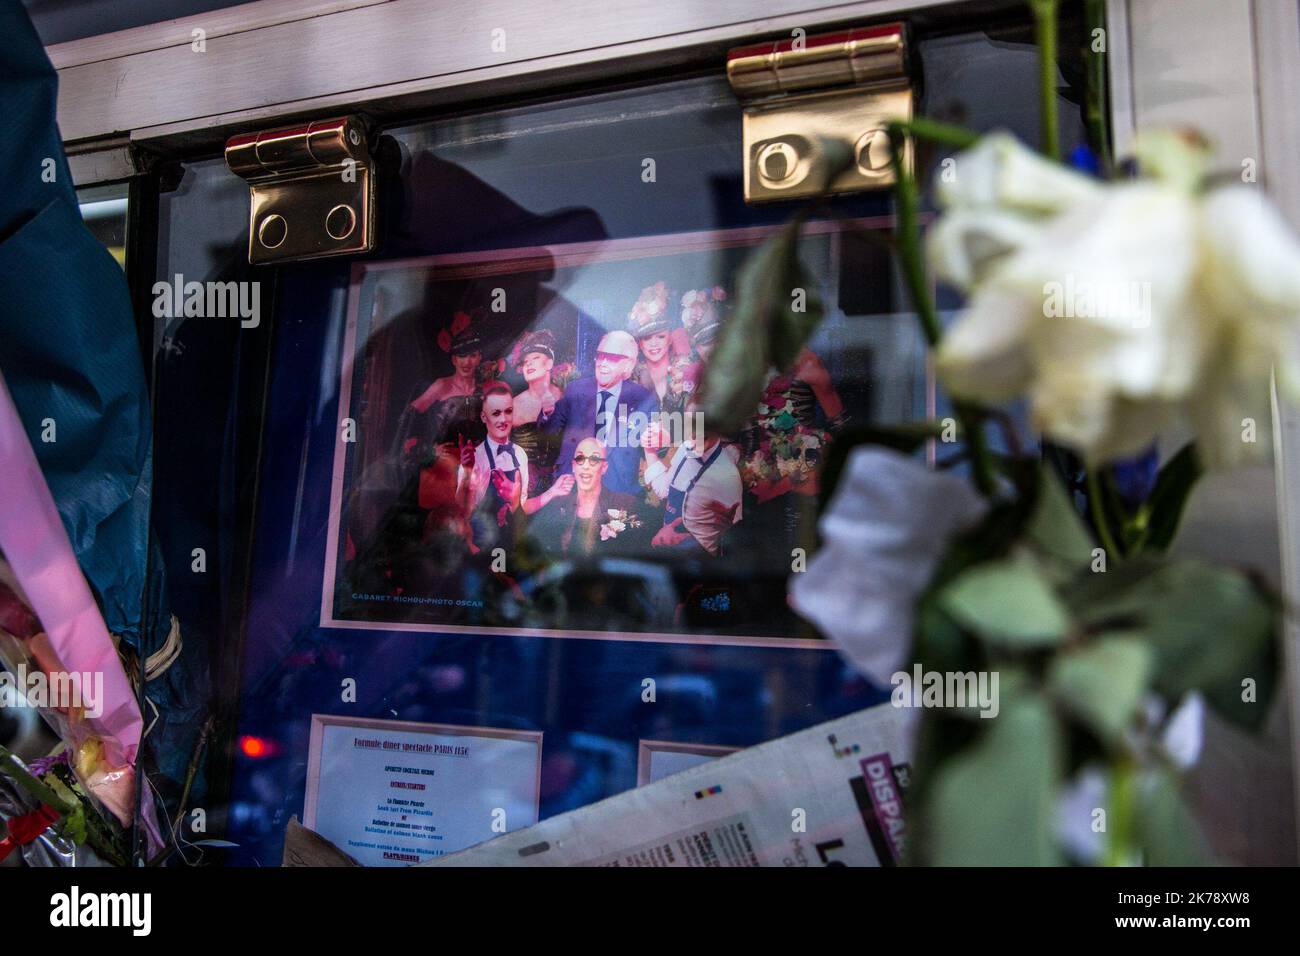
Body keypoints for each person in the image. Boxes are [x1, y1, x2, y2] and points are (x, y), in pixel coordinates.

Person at [539, 329, 657, 496]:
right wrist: (547, 412)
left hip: (618, 492)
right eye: (601, 355)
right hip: (570, 487)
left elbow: (655, 449)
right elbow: (548, 433)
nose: (602, 363)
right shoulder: (575, 389)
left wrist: (659, 440)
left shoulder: (642, 399)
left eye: (613, 358)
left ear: (629, 365)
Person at [641, 399, 743, 556]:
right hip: (668, 554)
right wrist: (649, 450)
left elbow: (727, 540)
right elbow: (664, 490)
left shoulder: (728, 475)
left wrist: (678, 539)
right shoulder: (686, 449)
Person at [528, 437, 645, 558]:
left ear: (604, 467)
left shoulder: (624, 504)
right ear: (573, 466)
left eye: (594, 459)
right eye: (580, 458)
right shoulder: (559, 505)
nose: (585, 466)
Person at [509, 329, 567, 492]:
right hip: (523, 487)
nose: (529, 364)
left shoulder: (566, 398)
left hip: (561, 485)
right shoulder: (513, 405)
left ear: (549, 363)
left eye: (535, 358)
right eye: (525, 361)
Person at [627, 282, 690, 415]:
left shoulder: (686, 375)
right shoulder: (631, 382)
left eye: (660, 337)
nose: (654, 344)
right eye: (647, 338)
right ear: (640, 344)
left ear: (669, 339)